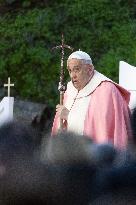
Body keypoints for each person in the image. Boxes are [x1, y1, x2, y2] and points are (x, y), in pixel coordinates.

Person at [52, 50, 132, 149]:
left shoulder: (106, 90)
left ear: (89, 69)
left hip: (97, 156)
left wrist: (70, 116)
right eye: (70, 70)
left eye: (77, 69)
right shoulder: (69, 90)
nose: (73, 75)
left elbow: (101, 127)